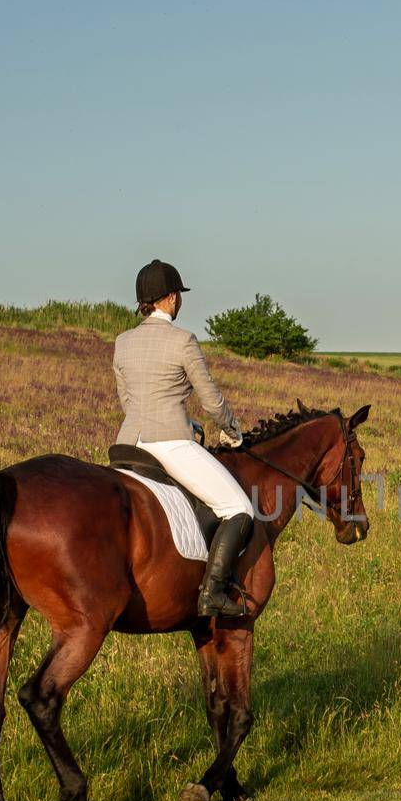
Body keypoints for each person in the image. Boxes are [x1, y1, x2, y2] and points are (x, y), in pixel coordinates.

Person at [113, 259, 254, 617]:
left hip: (128, 445)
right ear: (172, 298)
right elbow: (211, 400)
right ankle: (212, 593)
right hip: (169, 445)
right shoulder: (183, 341)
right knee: (239, 509)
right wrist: (231, 431)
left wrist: (185, 420)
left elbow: (128, 400)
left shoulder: (123, 342)